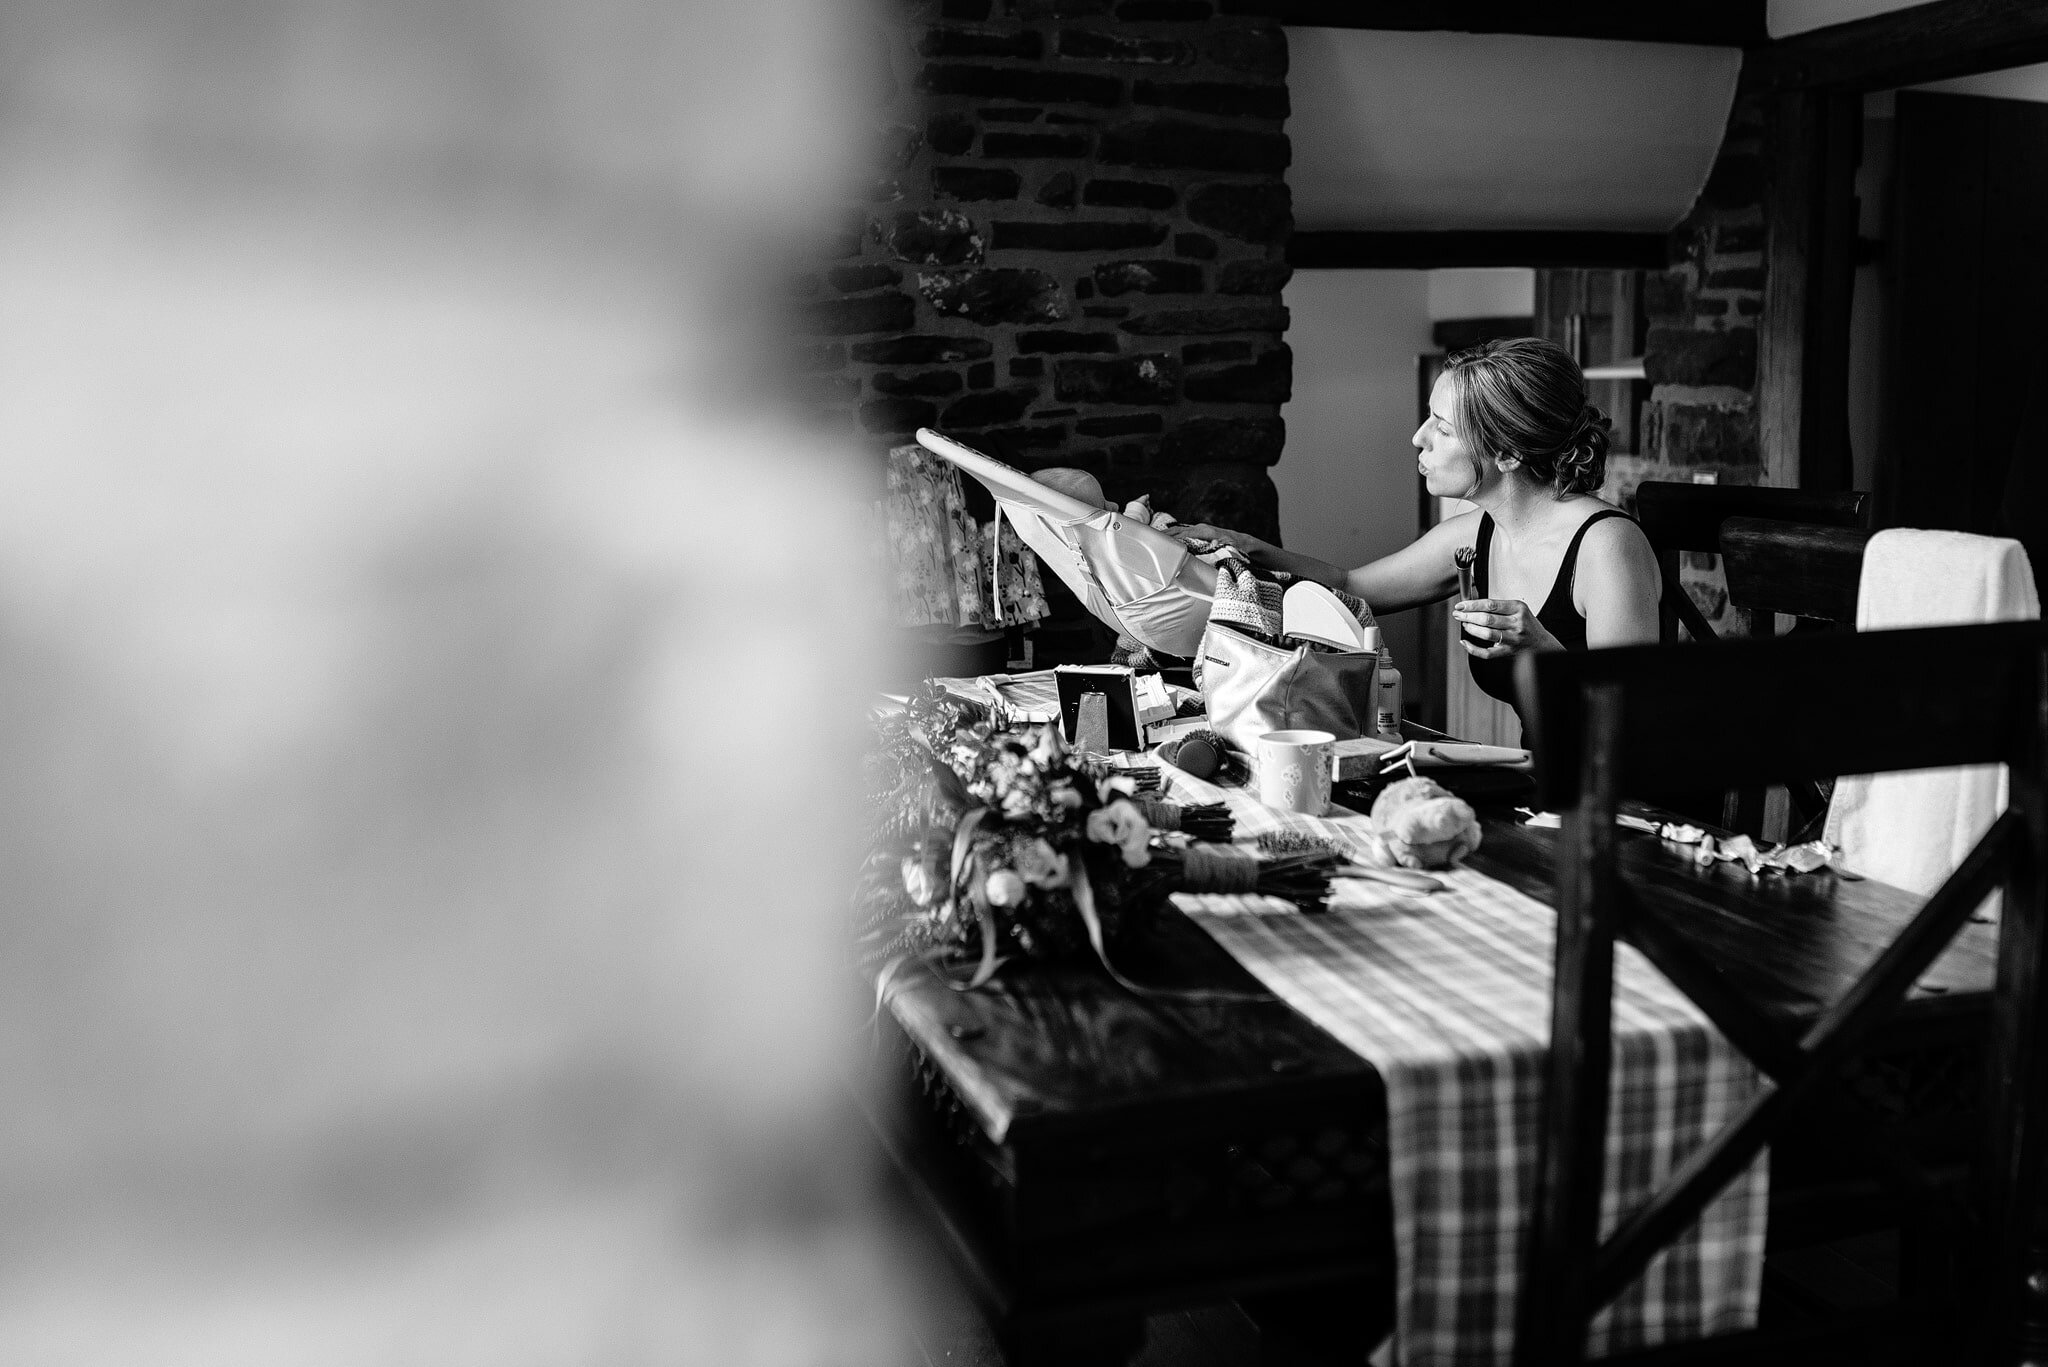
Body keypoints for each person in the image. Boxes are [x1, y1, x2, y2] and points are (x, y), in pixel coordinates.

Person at [1171, 336, 1662, 712]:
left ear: (1509, 453)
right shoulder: (1478, 530)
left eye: (1443, 428)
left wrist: (1543, 649)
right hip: (1548, 792)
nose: (1418, 437)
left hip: (1636, 811)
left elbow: (1634, 716)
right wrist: (1243, 546)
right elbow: (1351, 586)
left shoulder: (1607, 545)